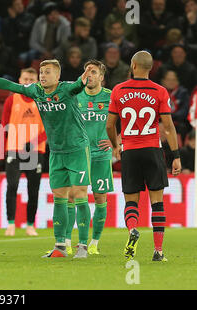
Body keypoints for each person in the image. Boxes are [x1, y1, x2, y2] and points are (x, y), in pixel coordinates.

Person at [0, 59, 93, 258]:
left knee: (80, 195)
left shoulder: (66, 90)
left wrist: (85, 76)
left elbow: (79, 84)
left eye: (47, 72)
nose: (43, 76)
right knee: (59, 198)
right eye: (41, 72)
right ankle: (60, 247)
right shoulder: (36, 91)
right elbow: (8, 85)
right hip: (56, 152)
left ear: (57, 76)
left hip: (77, 150)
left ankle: (82, 246)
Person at [106, 51, 181, 262]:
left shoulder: (118, 90)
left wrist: (115, 145)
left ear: (133, 65)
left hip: (129, 151)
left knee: (131, 200)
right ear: (150, 68)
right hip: (152, 150)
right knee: (157, 202)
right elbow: (168, 127)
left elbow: (110, 125)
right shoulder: (160, 91)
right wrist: (175, 155)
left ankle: (132, 230)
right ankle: (158, 251)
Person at [66, 60, 113, 256]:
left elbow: (126, 119)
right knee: (71, 196)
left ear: (101, 77)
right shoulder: (75, 96)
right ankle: (67, 242)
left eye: (93, 72)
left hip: (101, 155)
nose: (89, 75)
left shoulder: (111, 97)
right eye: (86, 72)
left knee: (100, 198)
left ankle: (94, 242)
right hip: (79, 156)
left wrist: (116, 141)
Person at [0, 67, 46, 237]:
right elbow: (4, 125)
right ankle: (10, 223)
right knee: (12, 186)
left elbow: (48, 127)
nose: (28, 82)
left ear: (37, 82)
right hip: (15, 150)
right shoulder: (12, 100)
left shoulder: (42, 101)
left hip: (36, 151)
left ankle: (30, 225)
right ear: (19, 80)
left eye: (31, 80)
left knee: (33, 189)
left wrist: (32, 142)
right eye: (25, 79)